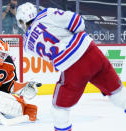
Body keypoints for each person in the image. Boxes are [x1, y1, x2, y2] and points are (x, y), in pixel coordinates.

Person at [16, 2, 126, 131]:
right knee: (118, 95)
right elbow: (78, 22)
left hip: (72, 69)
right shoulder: (47, 13)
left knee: (59, 111)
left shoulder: (27, 45)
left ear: (21, 21)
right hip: (92, 53)